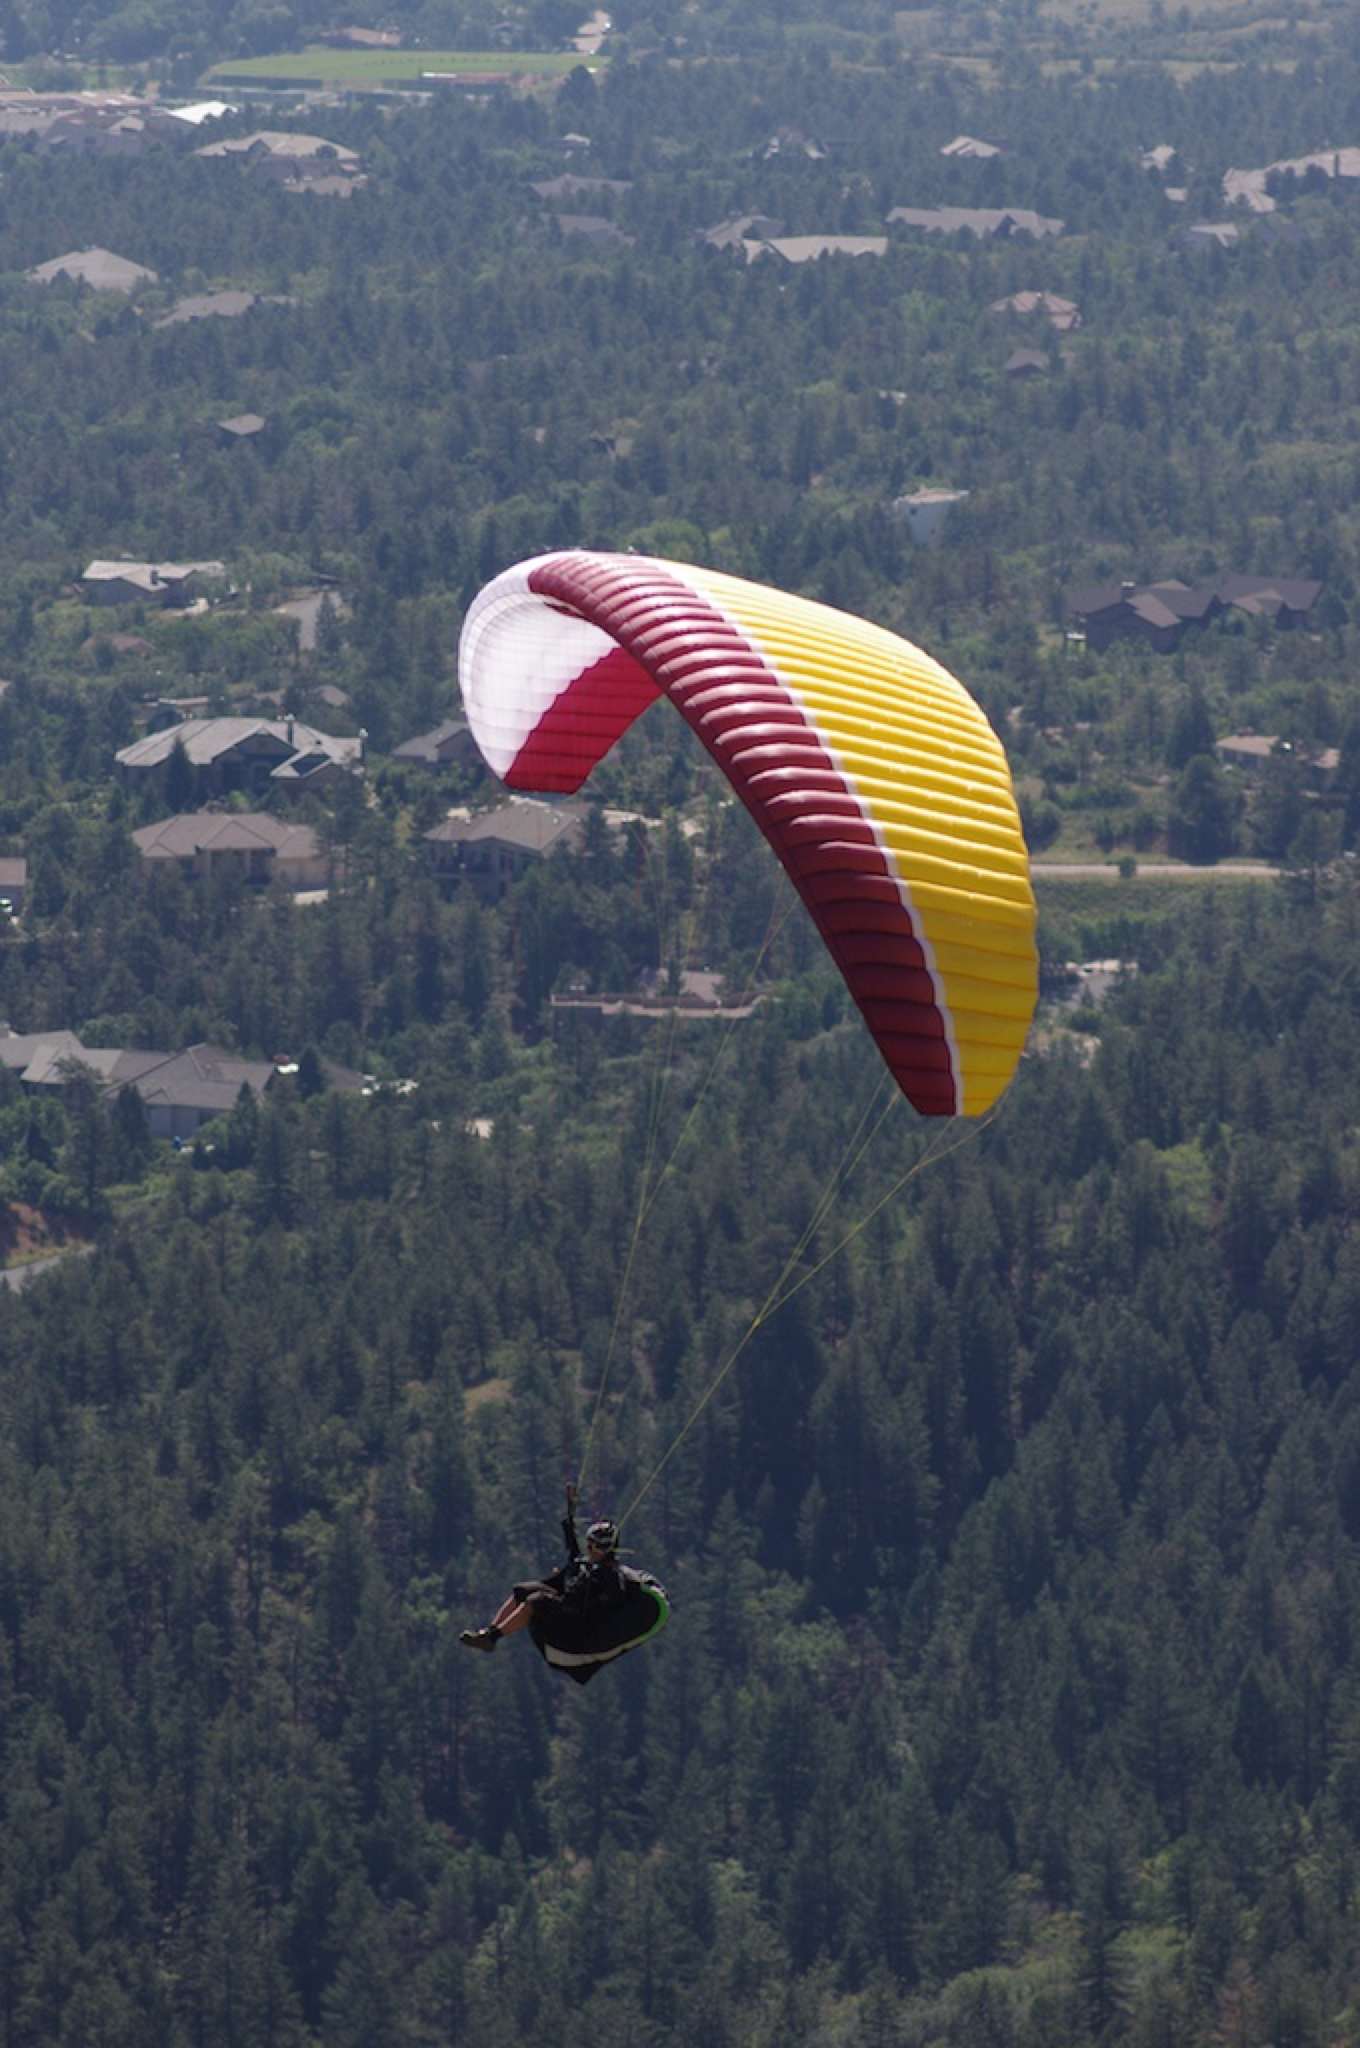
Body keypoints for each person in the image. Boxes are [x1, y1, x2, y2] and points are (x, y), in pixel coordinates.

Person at [460, 1483, 628, 1656]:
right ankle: (489, 1635)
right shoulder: (586, 1563)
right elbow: (573, 1547)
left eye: (594, 1546)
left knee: (537, 1600)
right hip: (565, 1604)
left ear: (606, 1549)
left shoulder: (610, 1576)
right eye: (589, 1544)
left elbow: (611, 1606)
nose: (589, 1549)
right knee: (521, 1590)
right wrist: (570, 1511)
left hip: (577, 1621)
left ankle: (493, 1637)